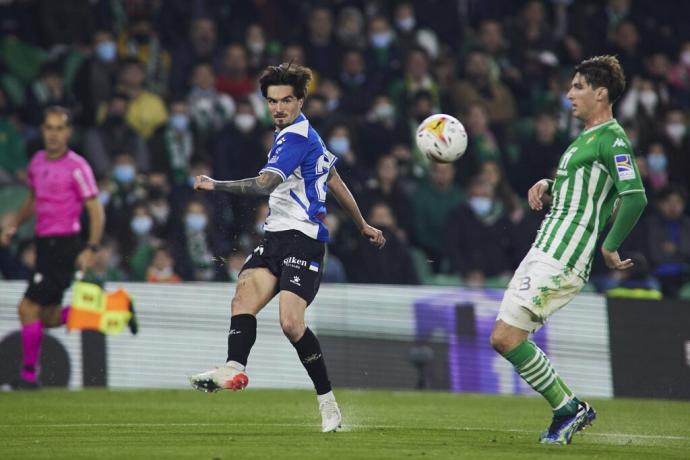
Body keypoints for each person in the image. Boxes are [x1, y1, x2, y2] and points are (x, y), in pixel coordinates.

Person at [189, 62, 385, 433]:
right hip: (275, 238)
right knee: (242, 297)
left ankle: (328, 404)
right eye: (272, 101)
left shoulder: (297, 138)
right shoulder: (301, 135)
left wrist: (216, 185)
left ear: (300, 101)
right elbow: (335, 181)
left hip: (305, 241)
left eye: (286, 100)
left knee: (291, 324)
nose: (278, 107)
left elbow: (264, 185)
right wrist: (362, 224)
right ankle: (234, 368)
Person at [489, 56, 648, 445]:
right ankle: (566, 408)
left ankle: (568, 408)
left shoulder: (612, 139)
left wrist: (610, 246)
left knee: (505, 337)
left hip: (565, 253)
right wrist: (549, 184)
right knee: (504, 337)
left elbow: (635, 197)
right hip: (546, 245)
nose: (569, 94)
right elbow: (587, 191)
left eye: (577, 86)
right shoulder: (586, 139)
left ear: (601, 93)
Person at [0, 106, 105, 389]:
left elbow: (96, 211)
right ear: (43, 130)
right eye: (49, 128)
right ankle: (101, 311)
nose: (54, 134)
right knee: (46, 315)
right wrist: (15, 224)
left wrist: (91, 248)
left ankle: (28, 376)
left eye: (59, 128)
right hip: (44, 245)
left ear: (68, 132)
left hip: (65, 245)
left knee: (27, 308)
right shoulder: (36, 162)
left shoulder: (77, 167)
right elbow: (34, 199)